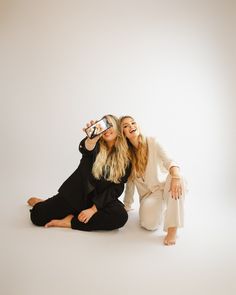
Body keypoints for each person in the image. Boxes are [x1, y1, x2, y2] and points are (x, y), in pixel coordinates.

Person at [27, 115, 131, 231]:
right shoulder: (95, 144)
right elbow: (86, 149)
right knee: (37, 217)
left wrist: (93, 209)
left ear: (117, 129)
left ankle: (70, 221)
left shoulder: (126, 158)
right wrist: (91, 140)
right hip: (76, 194)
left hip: (100, 200)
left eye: (110, 125)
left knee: (120, 216)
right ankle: (44, 202)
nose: (107, 130)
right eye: (104, 126)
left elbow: (116, 187)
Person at [120, 115, 186, 245]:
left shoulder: (153, 142)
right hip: (149, 196)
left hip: (165, 186)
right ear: (123, 134)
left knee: (179, 178)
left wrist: (176, 177)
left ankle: (172, 230)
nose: (131, 126)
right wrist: (126, 206)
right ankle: (164, 207)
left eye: (133, 123)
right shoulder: (127, 156)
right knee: (148, 225)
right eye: (126, 126)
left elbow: (169, 161)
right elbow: (130, 184)